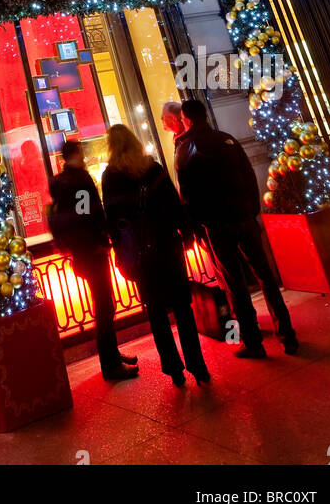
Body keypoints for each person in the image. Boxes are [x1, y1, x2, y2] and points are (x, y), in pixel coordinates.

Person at [175, 99, 298, 358]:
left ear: (186, 119)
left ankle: (252, 342)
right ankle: (287, 335)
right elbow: (249, 176)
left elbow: (187, 195)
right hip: (243, 217)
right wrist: (252, 210)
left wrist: (199, 225)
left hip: (218, 225)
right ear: (205, 115)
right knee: (266, 277)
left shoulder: (186, 149)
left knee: (235, 285)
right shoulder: (227, 139)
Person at [102, 124, 210, 387]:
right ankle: (197, 366)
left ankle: (173, 369)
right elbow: (174, 204)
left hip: (140, 254)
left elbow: (113, 221)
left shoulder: (110, 177)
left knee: (157, 314)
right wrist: (186, 233)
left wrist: (121, 253)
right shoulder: (153, 169)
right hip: (167, 246)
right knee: (183, 309)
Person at [47, 140, 138, 381]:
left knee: (104, 304)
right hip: (92, 252)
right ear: (77, 154)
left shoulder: (60, 183)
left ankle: (113, 355)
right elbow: (85, 214)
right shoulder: (78, 182)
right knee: (105, 306)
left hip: (80, 252)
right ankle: (110, 365)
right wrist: (98, 241)